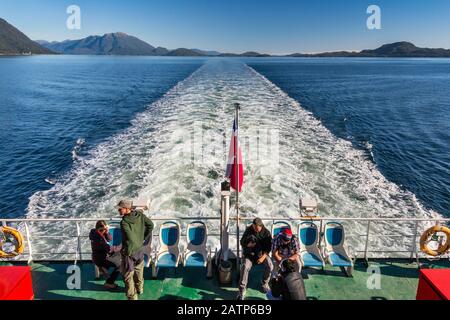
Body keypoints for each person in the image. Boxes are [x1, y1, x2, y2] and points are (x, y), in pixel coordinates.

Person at [118, 199, 154, 300]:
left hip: (129, 252)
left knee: (128, 276)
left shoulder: (124, 222)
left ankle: (132, 297)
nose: (118, 211)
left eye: (120, 209)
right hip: (139, 249)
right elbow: (151, 225)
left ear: (127, 209)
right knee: (139, 270)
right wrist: (142, 238)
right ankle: (140, 289)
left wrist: (126, 251)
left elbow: (130, 238)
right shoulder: (140, 215)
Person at [237, 218, 273, 300]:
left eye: (258, 228)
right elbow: (242, 242)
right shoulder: (249, 230)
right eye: (254, 228)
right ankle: (242, 289)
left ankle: (264, 283)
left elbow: (268, 248)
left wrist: (263, 257)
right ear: (253, 225)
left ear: (261, 226)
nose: (256, 230)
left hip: (262, 255)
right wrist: (248, 244)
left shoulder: (266, 233)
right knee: (245, 266)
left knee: (270, 265)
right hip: (250, 255)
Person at [89, 220, 121, 289]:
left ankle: (103, 269)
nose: (103, 231)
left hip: (99, 256)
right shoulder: (99, 239)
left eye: (104, 229)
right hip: (101, 259)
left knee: (117, 257)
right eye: (101, 230)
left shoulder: (94, 231)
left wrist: (107, 232)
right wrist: (118, 248)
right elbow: (109, 250)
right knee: (121, 265)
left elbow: (109, 239)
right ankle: (109, 282)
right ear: (98, 229)